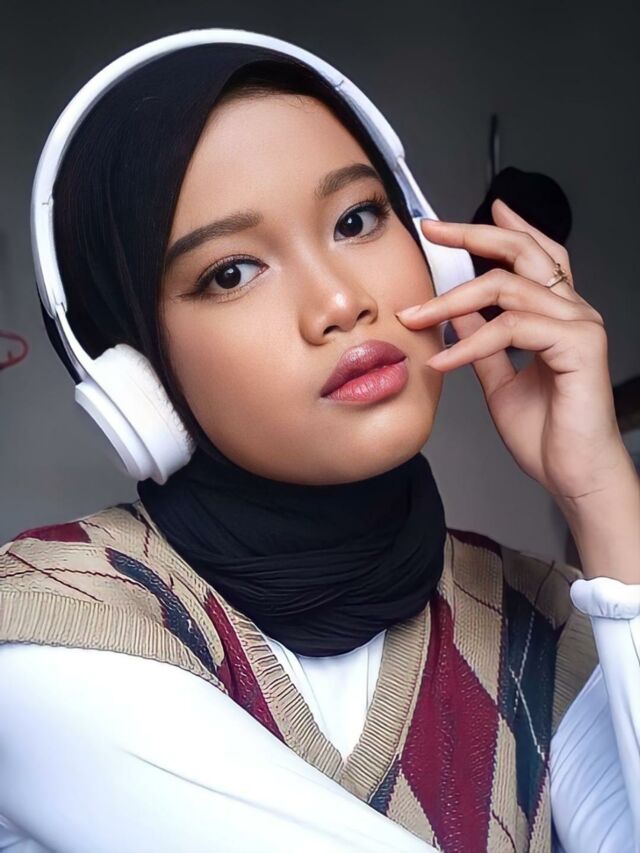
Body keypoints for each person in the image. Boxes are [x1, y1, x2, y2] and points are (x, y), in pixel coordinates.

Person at [0, 30, 639, 853]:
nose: (339, 301)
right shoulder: (47, 620)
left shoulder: (546, 625)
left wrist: (601, 493)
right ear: (135, 376)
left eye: (357, 219)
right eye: (231, 272)